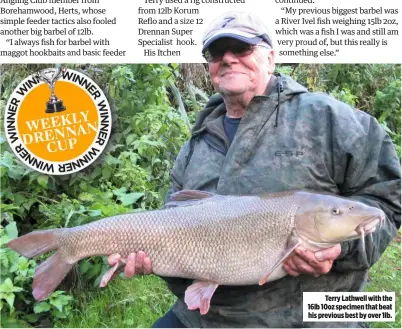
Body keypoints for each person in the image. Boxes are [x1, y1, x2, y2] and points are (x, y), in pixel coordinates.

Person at [108, 11, 401, 328]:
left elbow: (385, 204)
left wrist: (338, 249)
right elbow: (175, 222)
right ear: (210, 66)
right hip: (208, 317)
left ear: (270, 58)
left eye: (242, 48)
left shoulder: (331, 118)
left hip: (310, 317)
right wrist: (151, 258)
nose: (229, 59)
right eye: (217, 53)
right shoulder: (195, 144)